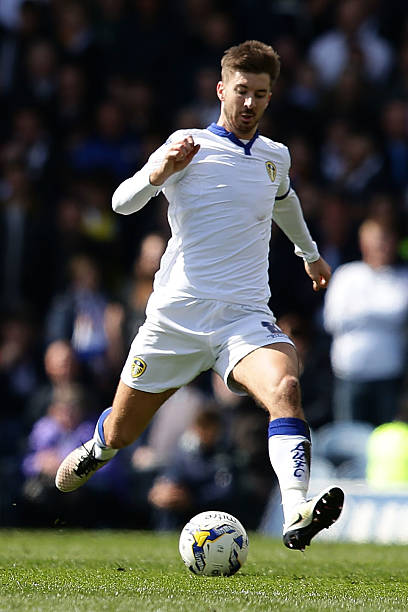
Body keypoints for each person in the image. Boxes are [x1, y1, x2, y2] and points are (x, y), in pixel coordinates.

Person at [56, 40, 343, 551]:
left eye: (261, 93)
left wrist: (309, 253)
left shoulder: (276, 157)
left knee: (286, 389)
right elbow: (122, 203)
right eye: (241, 91)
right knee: (123, 432)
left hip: (244, 318)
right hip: (176, 320)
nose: (250, 103)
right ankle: (99, 447)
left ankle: (297, 507)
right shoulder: (187, 144)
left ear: (271, 96)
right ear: (220, 89)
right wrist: (157, 173)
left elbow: (286, 201)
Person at [324, 218, 408, 426]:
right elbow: (332, 319)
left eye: (386, 240)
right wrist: (384, 314)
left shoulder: (403, 277)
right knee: (349, 438)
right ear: (363, 243)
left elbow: (400, 313)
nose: (382, 246)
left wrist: (359, 312)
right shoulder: (347, 275)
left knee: (387, 436)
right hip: (350, 373)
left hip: (389, 374)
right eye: (376, 240)